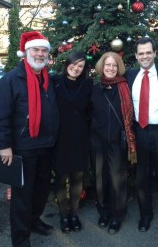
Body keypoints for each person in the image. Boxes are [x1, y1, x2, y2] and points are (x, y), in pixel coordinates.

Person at [0, 31, 60, 247]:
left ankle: (33, 221)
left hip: (47, 144)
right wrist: (4, 146)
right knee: (22, 197)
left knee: (41, 190)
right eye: (36, 50)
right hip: (24, 147)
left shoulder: (49, 78)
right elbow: (1, 116)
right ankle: (20, 239)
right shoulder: (11, 80)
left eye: (43, 50)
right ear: (26, 53)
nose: (40, 54)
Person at [125, 37, 158, 236]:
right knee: (141, 178)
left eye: (149, 52)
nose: (145, 56)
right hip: (139, 132)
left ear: (155, 53)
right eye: (141, 53)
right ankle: (145, 215)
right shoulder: (130, 75)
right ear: (136, 56)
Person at [90, 51, 136, 234]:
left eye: (114, 65)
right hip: (97, 142)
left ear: (119, 68)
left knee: (117, 181)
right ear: (102, 66)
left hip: (117, 142)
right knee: (101, 180)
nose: (110, 68)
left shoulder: (124, 87)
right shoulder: (94, 88)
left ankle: (117, 215)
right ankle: (104, 211)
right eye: (107, 65)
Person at [53, 51, 93, 233]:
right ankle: (63, 215)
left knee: (77, 176)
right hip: (60, 138)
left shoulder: (88, 84)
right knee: (61, 177)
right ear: (67, 63)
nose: (76, 68)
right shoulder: (55, 82)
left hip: (80, 137)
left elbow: (92, 110)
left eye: (80, 66)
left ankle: (74, 214)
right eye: (74, 64)